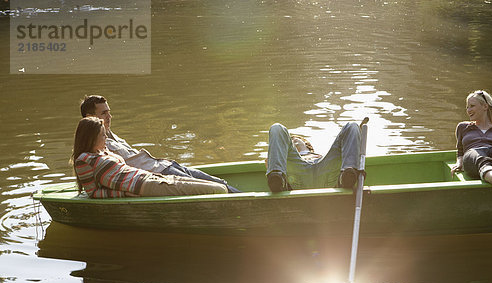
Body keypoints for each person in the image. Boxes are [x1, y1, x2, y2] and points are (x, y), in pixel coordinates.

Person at [80, 95, 240, 193]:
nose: (109, 116)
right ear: (90, 117)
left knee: (219, 182)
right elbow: (105, 172)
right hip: (160, 176)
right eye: (103, 113)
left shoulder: (111, 135)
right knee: (213, 188)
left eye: (109, 112)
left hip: (166, 164)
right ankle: (250, 206)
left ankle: (250, 199)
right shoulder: (99, 146)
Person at [72, 117, 228, 198]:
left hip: (153, 177)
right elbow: (93, 193)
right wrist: (124, 194)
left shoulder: (102, 152)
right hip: (145, 186)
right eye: (102, 135)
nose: (106, 137)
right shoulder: (84, 160)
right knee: (217, 189)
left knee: (216, 185)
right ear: (90, 138)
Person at [266, 122, 361, 192]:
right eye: (290, 141)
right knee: (277, 128)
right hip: (298, 175)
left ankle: (347, 176)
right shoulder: (288, 156)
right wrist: (271, 164)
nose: (293, 140)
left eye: (295, 139)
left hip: (326, 172)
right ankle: (278, 180)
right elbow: (277, 153)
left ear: (307, 145)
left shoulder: (319, 156)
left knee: (352, 126)